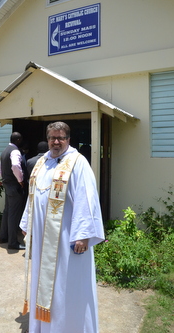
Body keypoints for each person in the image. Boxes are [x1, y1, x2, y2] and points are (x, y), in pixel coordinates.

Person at [20, 121, 105, 333]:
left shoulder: (78, 162)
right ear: (47, 140)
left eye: (60, 138)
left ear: (68, 139)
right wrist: (27, 222)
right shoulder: (43, 162)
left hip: (68, 238)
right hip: (43, 239)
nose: (56, 141)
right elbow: (34, 195)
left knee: (68, 288)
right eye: (52, 138)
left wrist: (83, 235)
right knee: (45, 284)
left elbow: (87, 198)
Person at [0, 132, 26, 250]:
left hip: (7, 184)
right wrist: (20, 180)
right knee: (13, 214)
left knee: (7, 211)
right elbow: (15, 165)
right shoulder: (15, 151)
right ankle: (13, 242)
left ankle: (3, 237)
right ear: (18, 140)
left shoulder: (5, 151)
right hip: (14, 186)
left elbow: (0, 169)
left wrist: (5, 179)